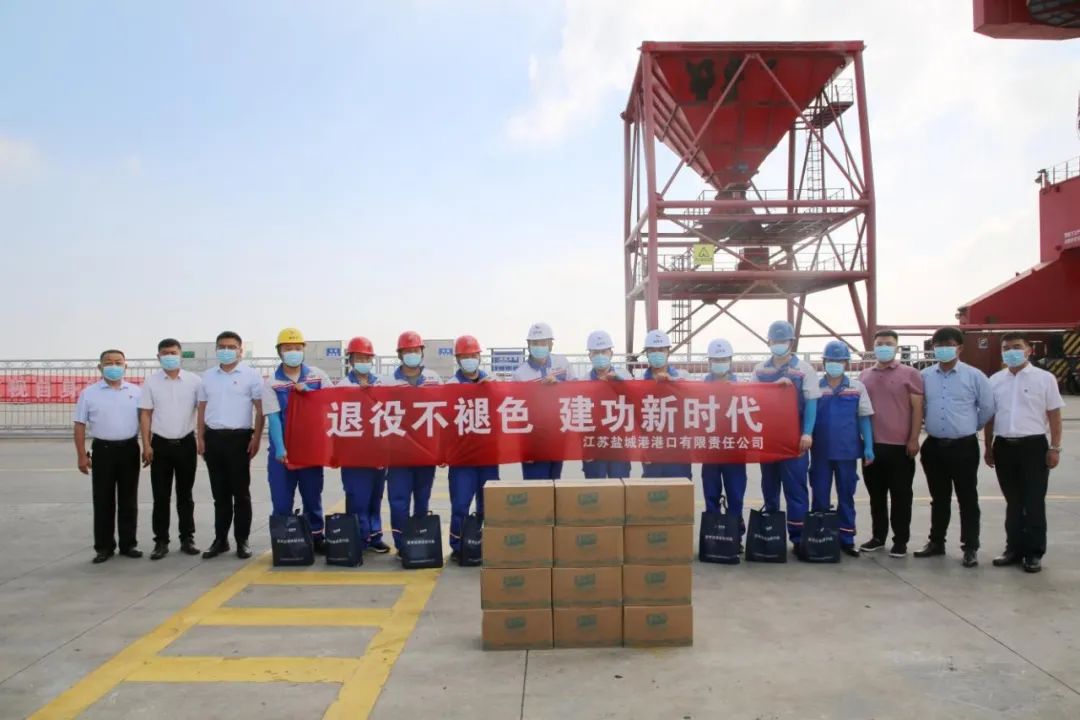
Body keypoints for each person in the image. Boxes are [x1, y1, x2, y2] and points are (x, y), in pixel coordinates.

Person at [984, 332, 1064, 573]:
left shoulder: (1044, 379)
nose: (1011, 352)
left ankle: (1034, 552)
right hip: (1003, 446)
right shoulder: (995, 380)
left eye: (1017, 346)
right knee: (1014, 502)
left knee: (1033, 501)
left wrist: (1055, 447)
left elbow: (1054, 415)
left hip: (1033, 446)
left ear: (1030, 350)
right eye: (1006, 348)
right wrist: (988, 447)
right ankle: (1013, 549)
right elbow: (990, 417)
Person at [916, 327, 995, 568]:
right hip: (934, 446)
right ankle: (936, 542)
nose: (943, 349)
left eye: (948, 344)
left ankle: (970, 547)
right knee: (939, 498)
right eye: (938, 345)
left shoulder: (974, 376)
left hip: (964, 446)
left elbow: (987, 408)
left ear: (960, 348)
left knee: (967, 498)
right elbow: (919, 407)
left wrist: (969, 427)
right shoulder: (924, 376)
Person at [262, 328, 333, 553]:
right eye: (287, 348)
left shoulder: (318, 376)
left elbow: (331, 403)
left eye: (297, 348)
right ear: (279, 351)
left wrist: (310, 392)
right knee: (282, 499)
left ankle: (316, 536)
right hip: (283, 451)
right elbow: (273, 417)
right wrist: (280, 447)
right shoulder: (272, 382)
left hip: (310, 450)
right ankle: (285, 541)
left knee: (312, 496)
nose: (293, 352)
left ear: (304, 349)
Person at [752, 320, 820, 551]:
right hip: (768, 439)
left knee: (796, 489)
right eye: (775, 340)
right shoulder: (760, 370)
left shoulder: (804, 369)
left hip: (794, 440)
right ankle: (772, 536)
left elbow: (811, 403)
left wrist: (807, 433)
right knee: (769, 487)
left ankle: (799, 538)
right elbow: (751, 400)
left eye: (783, 340)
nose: (779, 344)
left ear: (791, 342)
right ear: (768, 342)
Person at [197, 331, 264, 560]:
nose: (226, 351)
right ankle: (220, 540)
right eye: (222, 347)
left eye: (231, 347)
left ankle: (242, 540)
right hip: (214, 439)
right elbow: (202, 408)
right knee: (220, 494)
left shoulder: (251, 376)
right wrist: (200, 437)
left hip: (239, 439)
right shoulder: (208, 376)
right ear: (216, 349)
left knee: (241, 494)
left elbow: (259, 410)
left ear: (240, 350)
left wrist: (256, 438)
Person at [858, 329, 924, 558]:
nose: (883, 347)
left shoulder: (910, 374)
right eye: (879, 344)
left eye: (888, 343)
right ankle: (878, 537)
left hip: (900, 446)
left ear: (896, 347)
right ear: (873, 347)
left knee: (901, 496)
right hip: (872, 446)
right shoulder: (864, 375)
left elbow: (917, 408)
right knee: (876, 496)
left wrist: (914, 438)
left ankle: (900, 540)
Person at [74, 350, 143, 564]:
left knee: (128, 499)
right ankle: (104, 547)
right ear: (100, 367)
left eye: (118, 362)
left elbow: (146, 421)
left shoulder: (136, 392)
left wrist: (148, 446)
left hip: (129, 449)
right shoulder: (89, 393)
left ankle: (128, 544)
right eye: (109, 363)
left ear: (125, 366)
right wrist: (81, 455)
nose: (114, 366)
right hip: (103, 450)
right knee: (103, 500)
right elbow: (79, 425)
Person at [809, 341, 874, 558]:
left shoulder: (857, 388)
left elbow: (864, 418)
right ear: (824, 362)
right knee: (820, 496)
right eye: (830, 360)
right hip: (820, 452)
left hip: (847, 452)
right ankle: (820, 537)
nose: (835, 364)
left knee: (846, 496)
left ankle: (847, 538)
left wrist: (869, 446)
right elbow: (807, 417)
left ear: (846, 363)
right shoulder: (815, 388)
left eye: (839, 360)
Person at [138, 338, 202, 560]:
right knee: (160, 496)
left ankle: (187, 538)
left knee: (185, 495)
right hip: (160, 445)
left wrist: (201, 439)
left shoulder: (194, 381)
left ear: (180, 354)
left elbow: (202, 411)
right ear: (158, 357)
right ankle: (161, 541)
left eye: (173, 352)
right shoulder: (151, 382)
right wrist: (146, 444)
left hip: (186, 443)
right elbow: (145, 414)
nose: (169, 356)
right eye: (165, 353)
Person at [385, 331, 443, 555]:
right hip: (398, 454)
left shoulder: (434, 379)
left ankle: (420, 540)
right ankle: (402, 544)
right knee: (398, 500)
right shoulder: (388, 382)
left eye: (415, 350)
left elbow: (444, 414)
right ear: (400, 354)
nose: (412, 354)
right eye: (407, 351)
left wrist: (442, 450)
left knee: (422, 498)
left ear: (422, 353)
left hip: (425, 453)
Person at [446, 334, 500, 562]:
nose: (469, 359)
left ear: (479, 357)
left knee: (489, 503)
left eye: (473, 355)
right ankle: (458, 545)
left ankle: (485, 543)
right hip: (462, 458)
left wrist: (492, 390)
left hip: (488, 455)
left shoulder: (492, 381)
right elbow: (445, 422)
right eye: (464, 356)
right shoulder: (451, 386)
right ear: (458, 359)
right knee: (460, 503)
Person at [336, 336, 391, 553]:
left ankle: (375, 535)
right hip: (354, 454)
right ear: (350, 360)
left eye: (366, 358)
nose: (363, 362)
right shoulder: (343, 386)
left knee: (375, 496)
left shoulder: (381, 384)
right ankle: (358, 536)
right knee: (357, 496)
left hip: (378, 451)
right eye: (358, 358)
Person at [511, 322, 576, 479]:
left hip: (557, 436)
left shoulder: (563, 364)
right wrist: (523, 447)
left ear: (551, 344)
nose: (539, 347)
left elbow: (577, 391)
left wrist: (559, 385)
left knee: (554, 484)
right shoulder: (520, 374)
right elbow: (515, 412)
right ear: (528, 345)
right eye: (535, 343)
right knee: (536, 487)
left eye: (543, 343)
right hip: (533, 440)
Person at [700, 338, 747, 540]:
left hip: (734, 450)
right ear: (710, 362)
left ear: (730, 361)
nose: (720, 363)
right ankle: (714, 536)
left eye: (724, 359)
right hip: (710, 449)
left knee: (735, 495)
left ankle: (735, 537)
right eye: (716, 360)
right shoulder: (700, 387)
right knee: (711, 494)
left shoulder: (742, 387)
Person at [640, 329, 692, 480]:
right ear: (647, 353)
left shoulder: (683, 376)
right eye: (652, 350)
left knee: (679, 487)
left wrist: (672, 383)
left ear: (668, 352)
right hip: (652, 447)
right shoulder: (639, 381)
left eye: (661, 350)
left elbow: (695, 399)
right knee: (652, 490)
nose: (657, 354)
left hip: (678, 447)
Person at [582, 329, 632, 479]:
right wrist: (584, 447)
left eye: (603, 352)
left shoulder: (625, 376)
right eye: (596, 352)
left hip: (619, 442)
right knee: (596, 488)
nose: (600, 356)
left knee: (620, 485)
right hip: (594, 443)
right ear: (590, 356)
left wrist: (619, 383)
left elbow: (635, 402)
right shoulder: (583, 381)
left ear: (611, 353)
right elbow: (579, 417)